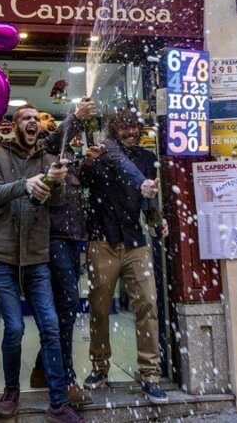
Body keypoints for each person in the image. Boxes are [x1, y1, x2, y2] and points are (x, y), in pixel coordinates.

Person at [0, 103, 83, 423]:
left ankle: (58, 402)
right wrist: (24, 185)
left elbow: (56, 201)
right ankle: (11, 389)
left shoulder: (49, 160)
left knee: (50, 325)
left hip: (37, 254)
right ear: (14, 125)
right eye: (26, 118)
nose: (33, 122)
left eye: (36, 119)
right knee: (14, 327)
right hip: (1, 253)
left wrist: (55, 182)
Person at [80, 108, 168, 404]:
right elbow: (82, 181)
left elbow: (150, 198)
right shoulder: (103, 153)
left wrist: (158, 220)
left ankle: (151, 374)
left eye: (134, 128)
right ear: (113, 131)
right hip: (101, 241)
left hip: (135, 243)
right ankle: (100, 367)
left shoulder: (147, 158)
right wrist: (88, 163)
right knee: (99, 308)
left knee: (148, 304)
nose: (130, 133)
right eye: (123, 128)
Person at [29, 106, 97, 407]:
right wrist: (76, 118)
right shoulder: (41, 148)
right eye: (40, 118)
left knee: (61, 308)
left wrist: (87, 164)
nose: (44, 121)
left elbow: (78, 186)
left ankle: (43, 369)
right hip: (53, 237)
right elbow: (55, 141)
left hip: (72, 238)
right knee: (67, 304)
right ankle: (66, 378)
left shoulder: (64, 152)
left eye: (47, 118)